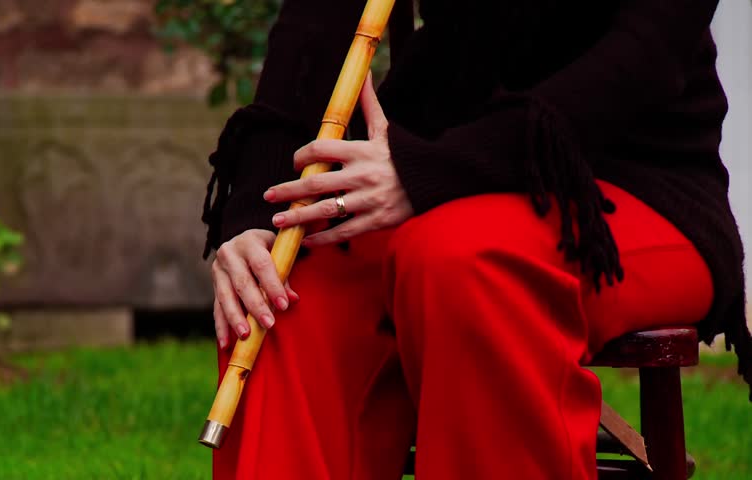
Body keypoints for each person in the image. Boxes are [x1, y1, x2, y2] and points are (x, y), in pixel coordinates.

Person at [201, 1, 751, 478]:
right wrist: (255, 212)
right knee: (279, 298)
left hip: (628, 180)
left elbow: (645, 55)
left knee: (463, 262)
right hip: (421, 171)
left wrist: (434, 170)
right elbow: (315, 27)